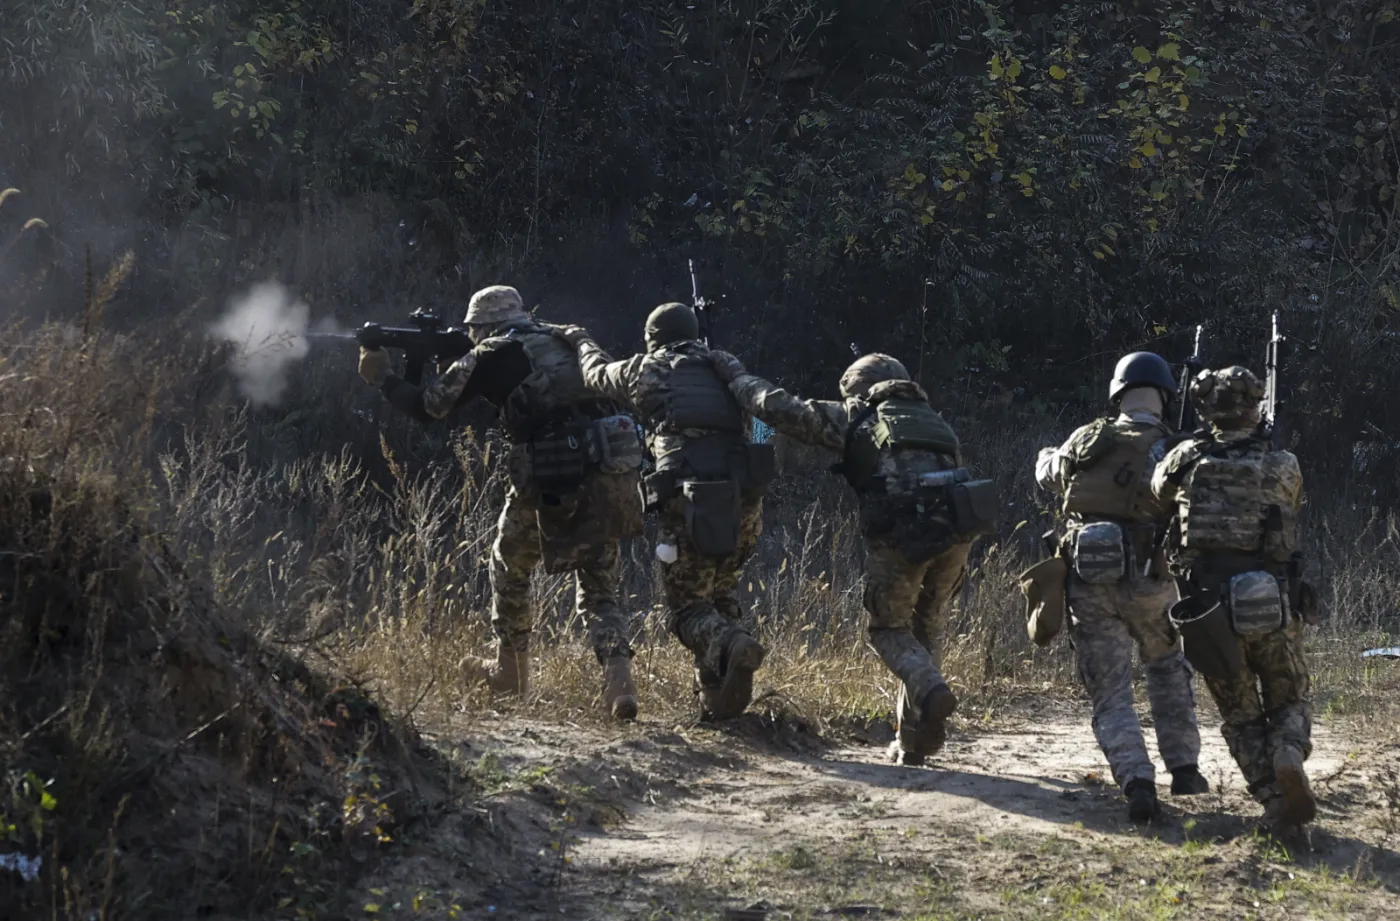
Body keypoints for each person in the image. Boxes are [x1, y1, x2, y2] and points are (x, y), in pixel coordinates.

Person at [357, 285, 646, 720]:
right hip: (609, 469)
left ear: (483, 327)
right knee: (599, 588)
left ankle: (509, 672)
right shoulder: (564, 338)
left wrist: (382, 377)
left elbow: (428, 409)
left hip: (550, 473)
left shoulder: (490, 352)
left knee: (509, 566)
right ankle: (620, 685)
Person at [712, 353, 994, 765]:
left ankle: (930, 687)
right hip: (957, 531)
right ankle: (915, 739)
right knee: (926, 627)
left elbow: (777, 407)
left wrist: (735, 377)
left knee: (887, 629)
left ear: (858, 390)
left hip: (902, 534)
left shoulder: (858, 416)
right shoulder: (934, 420)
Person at [558, 303, 833, 720]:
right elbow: (763, 419)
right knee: (722, 592)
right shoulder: (726, 367)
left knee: (688, 609)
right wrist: (758, 455)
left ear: (653, 337)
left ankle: (730, 645)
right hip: (743, 499)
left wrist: (580, 340)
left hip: (689, 499)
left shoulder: (645, 369)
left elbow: (595, 374)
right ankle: (716, 701)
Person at [1035, 352, 1207, 822]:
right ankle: (1186, 767)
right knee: (1168, 667)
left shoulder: (1088, 438)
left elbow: (1048, 473)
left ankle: (1137, 781)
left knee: (1110, 692)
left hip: (1090, 580)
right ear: (1167, 396)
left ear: (1116, 393)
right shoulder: (1174, 447)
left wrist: (1048, 456)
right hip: (1152, 579)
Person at [1152, 366, 1317, 831]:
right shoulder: (1282, 462)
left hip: (1208, 606)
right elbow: (1291, 503)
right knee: (1289, 697)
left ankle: (1272, 798)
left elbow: (1156, 495)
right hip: (1271, 597)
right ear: (1255, 405)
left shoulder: (1185, 458)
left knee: (1239, 714)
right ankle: (1288, 751)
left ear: (1206, 409)